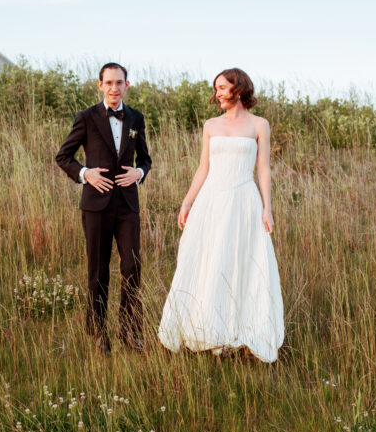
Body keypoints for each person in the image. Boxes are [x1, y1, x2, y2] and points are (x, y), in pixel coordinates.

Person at [158, 67, 284, 362]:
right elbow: (204, 167)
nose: (216, 94)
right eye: (215, 88)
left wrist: (268, 207)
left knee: (242, 261)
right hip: (212, 200)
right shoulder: (211, 125)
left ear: (238, 89)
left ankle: (240, 333)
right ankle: (207, 330)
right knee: (209, 259)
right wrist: (187, 202)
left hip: (243, 200)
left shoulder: (259, 125)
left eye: (221, 88)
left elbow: (263, 168)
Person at [55, 63, 153, 356]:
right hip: (96, 205)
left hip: (127, 205)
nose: (114, 88)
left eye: (119, 82)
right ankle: (99, 333)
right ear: (100, 85)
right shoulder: (86, 117)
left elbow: (145, 159)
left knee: (132, 266)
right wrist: (86, 174)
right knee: (98, 271)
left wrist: (139, 173)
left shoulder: (136, 117)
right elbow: (63, 157)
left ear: (127, 85)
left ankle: (128, 327)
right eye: (108, 83)